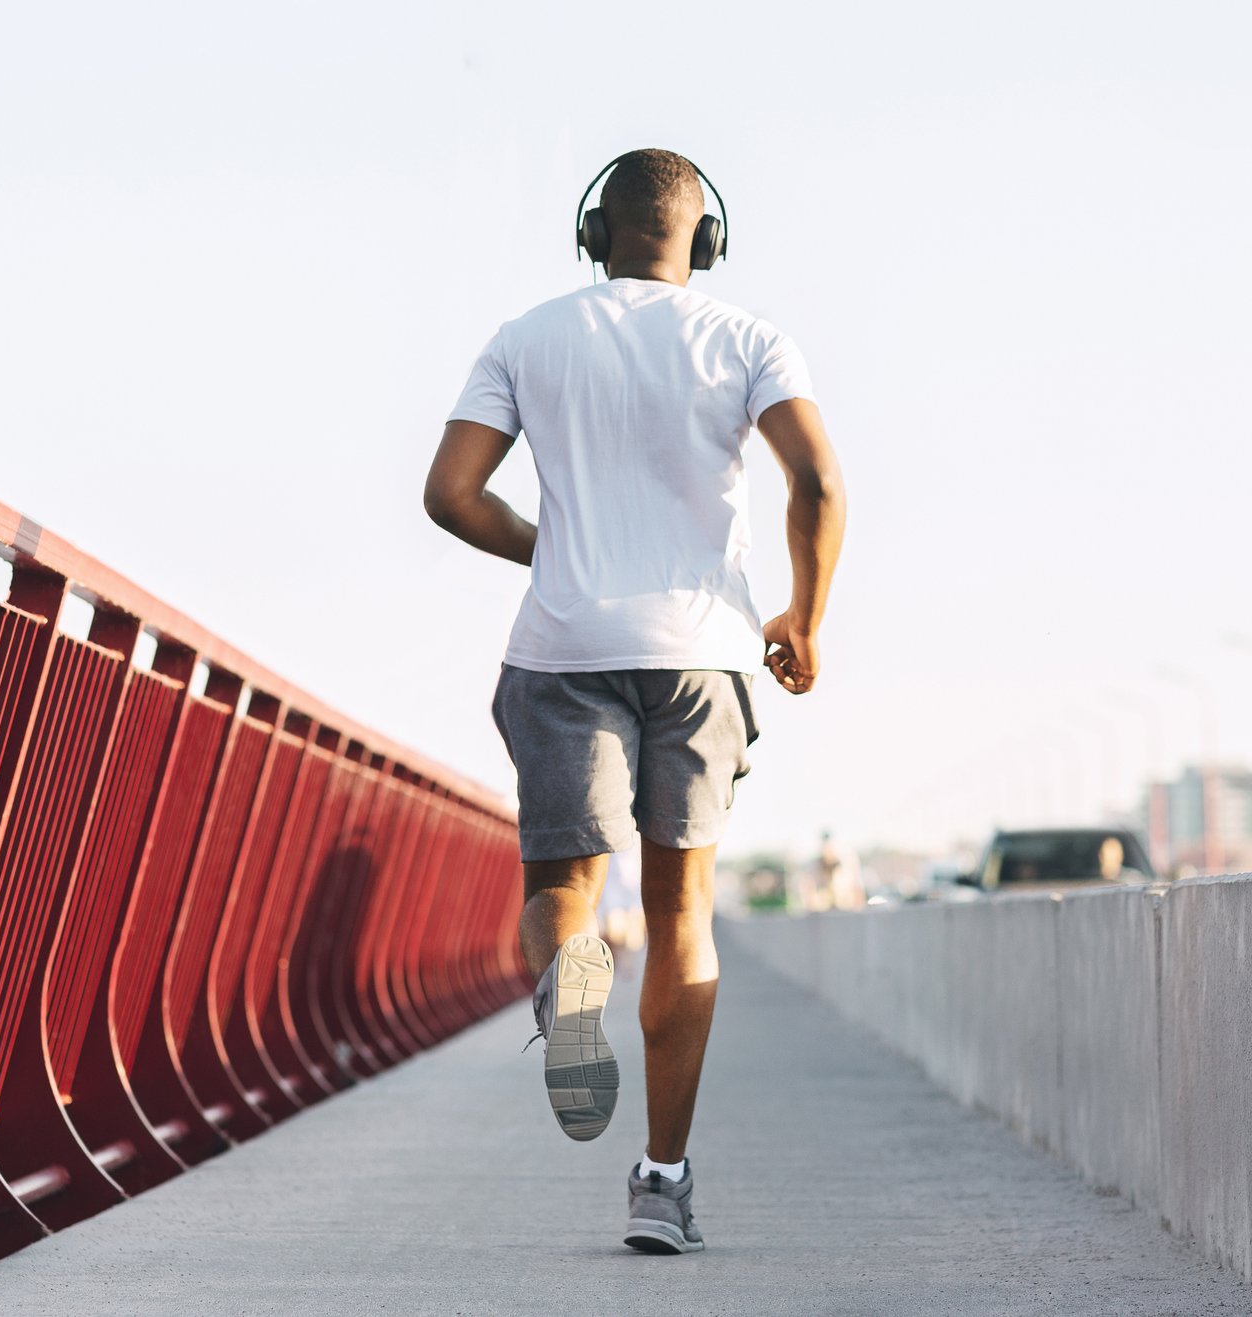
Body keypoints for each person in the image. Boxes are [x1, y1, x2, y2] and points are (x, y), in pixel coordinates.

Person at [423, 147, 846, 1254]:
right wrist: (801, 618)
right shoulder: (749, 339)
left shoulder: (527, 337)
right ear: (704, 241)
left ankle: (572, 997)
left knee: (568, 888)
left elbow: (451, 495)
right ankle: (661, 1180)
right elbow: (818, 482)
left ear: (590, 233)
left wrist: (548, 549)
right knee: (679, 914)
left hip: (565, 646)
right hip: (703, 655)